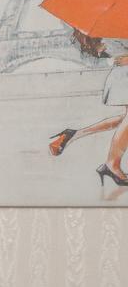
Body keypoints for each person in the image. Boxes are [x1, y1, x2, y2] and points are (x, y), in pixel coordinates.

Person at [47, 51, 128, 188]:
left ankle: (73, 134)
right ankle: (112, 164)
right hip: (125, 74)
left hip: (123, 73)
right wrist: (115, 60)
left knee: (125, 121)